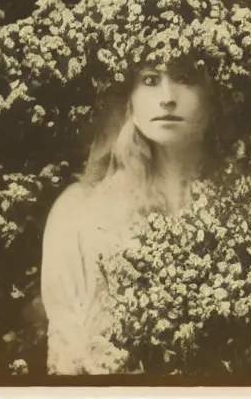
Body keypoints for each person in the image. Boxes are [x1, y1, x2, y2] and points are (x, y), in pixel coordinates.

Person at [39, 59, 219, 375]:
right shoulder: (79, 212)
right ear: (129, 97)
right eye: (150, 80)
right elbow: (71, 358)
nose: (167, 97)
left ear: (213, 92)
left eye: (185, 77)